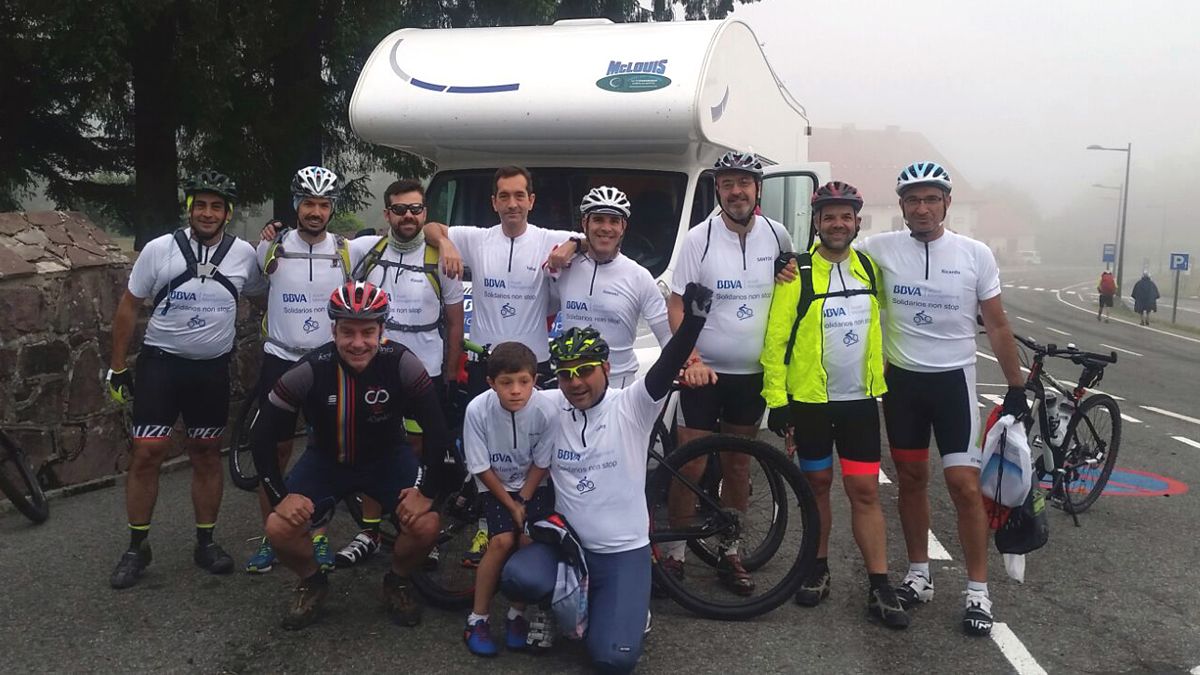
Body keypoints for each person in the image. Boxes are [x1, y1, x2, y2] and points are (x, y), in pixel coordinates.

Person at [499, 282, 713, 674]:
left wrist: (692, 326)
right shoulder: (550, 405)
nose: (576, 383)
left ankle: (625, 610)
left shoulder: (631, 405)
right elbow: (497, 398)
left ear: (607, 369)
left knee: (611, 659)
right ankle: (558, 605)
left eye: (585, 371)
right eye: (566, 374)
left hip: (621, 552)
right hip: (567, 547)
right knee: (516, 577)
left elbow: (664, 370)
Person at [857, 161, 1028, 636]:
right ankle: (919, 575)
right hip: (904, 386)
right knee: (911, 480)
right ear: (902, 207)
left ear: (947, 204)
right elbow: (829, 256)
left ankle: (978, 592)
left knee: (964, 486)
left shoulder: (975, 254)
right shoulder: (878, 250)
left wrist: (1016, 387)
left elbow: (995, 323)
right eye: (913, 200)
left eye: (932, 199)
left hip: (954, 382)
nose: (923, 208)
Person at [252, 281, 456, 630]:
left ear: (382, 329)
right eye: (347, 332)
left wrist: (427, 493)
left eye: (368, 332)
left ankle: (398, 579)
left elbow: (438, 434)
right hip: (326, 462)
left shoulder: (403, 364)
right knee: (277, 526)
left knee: (427, 524)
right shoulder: (310, 368)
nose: (358, 343)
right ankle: (312, 580)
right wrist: (279, 496)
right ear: (333, 330)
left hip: (388, 461)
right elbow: (260, 436)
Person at [761, 181, 908, 629]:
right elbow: (776, 339)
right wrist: (777, 401)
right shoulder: (798, 272)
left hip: (860, 401)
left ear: (857, 222)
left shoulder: (870, 268)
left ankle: (879, 583)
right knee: (818, 485)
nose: (838, 224)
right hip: (811, 402)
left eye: (845, 216)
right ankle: (817, 567)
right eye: (829, 217)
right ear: (817, 223)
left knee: (864, 491)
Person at [105, 170, 261, 589]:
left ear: (228, 213)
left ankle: (205, 542)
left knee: (207, 452)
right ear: (189, 209)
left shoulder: (244, 253)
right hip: (162, 364)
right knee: (147, 452)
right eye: (200, 205)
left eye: (216, 206)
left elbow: (265, 294)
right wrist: (117, 367)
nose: (207, 213)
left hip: (211, 368)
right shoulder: (160, 249)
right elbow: (128, 306)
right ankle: (137, 547)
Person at [663, 151, 793, 594]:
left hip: (751, 375)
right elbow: (676, 304)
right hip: (706, 372)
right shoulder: (698, 239)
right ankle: (676, 554)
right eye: (727, 184)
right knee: (692, 464)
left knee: (739, 466)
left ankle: (730, 553)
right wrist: (690, 359)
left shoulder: (778, 235)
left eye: (744, 183)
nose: (736, 191)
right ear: (717, 190)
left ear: (757, 189)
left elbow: (789, 291)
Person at [334, 178, 466, 568]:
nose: (408, 216)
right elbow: (317, 240)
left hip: (424, 371)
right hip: (374, 369)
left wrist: (451, 371)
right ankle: (371, 532)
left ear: (425, 213)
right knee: (372, 449)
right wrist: (273, 233)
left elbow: (455, 323)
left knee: (423, 452)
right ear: (387, 213)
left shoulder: (441, 256)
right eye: (399, 209)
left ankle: (423, 529)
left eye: (416, 209)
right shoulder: (365, 251)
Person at [246, 165, 351, 575]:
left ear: (332, 209)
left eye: (324, 204)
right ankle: (273, 535)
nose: (316, 211)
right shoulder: (269, 248)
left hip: (326, 362)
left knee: (324, 451)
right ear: (296, 205)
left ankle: (320, 536)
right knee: (274, 450)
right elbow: (255, 291)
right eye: (309, 203)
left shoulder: (346, 251)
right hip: (281, 358)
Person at [422, 166, 577, 394]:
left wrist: (574, 244)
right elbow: (429, 228)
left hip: (534, 364)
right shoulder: (478, 239)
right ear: (494, 203)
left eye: (519, 196)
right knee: (482, 428)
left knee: (534, 430)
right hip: (485, 363)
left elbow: (593, 239)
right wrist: (446, 244)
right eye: (504, 196)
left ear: (531, 201)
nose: (512, 204)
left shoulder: (548, 238)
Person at [460, 342, 557, 657]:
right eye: (506, 383)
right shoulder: (477, 409)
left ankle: (517, 615)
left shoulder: (545, 409)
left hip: (534, 484)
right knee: (501, 541)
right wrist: (511, 504)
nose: (516, 390)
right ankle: (478, 618)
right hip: (494, 484)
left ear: (535, 380)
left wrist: (524, 500)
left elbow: (542, 463)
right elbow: (480, 466)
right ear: (490, 383)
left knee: (529, 541)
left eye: (524, 382)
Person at [546, 186, 672, 388]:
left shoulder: (639, 276)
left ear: (623, 227)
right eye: (598, 220)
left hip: (618, 383)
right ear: (585, 223)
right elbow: (541, 312)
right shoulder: (566, 266)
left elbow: (666, 336)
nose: (606, 228)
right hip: (572, 382)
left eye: (614, 221)